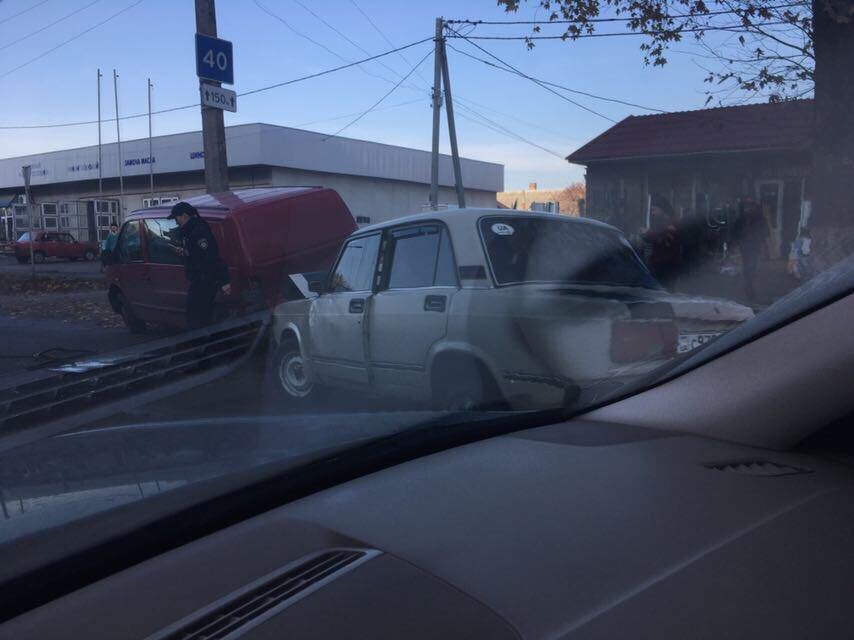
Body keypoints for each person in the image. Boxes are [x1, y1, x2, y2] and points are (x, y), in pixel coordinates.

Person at [167, 201, 231, 329]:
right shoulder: (191, 231)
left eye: (176, 218)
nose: (175, 222)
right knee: (198, 317)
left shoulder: (198, 232)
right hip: (200, 279)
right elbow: (198, 255)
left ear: (184, 215)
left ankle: (200, 345)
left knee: (197, 318)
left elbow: (210, 257)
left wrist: (224, 281)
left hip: (204, 281)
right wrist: (185, 252)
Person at [734, 196, 769, 303]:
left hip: (754, 244)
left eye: (750, 205)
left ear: (754, 206)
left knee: (752, 264)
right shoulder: (740, 217)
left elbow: (765, 232)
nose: (748, 208)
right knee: (747, 264)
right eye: (746, 205)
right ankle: (748, 283)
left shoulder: (759, 217)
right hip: (744, 245)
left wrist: (763, 244)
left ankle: (750, 283)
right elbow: (735, 231)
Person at [641, 198, 682, 289]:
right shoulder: (659, 222)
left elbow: (664, 238)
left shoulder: (673, 223)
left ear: (662, 209)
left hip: (667, 266)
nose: (652, 213)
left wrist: (648, 233)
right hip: (658, 264)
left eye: (654, 210)